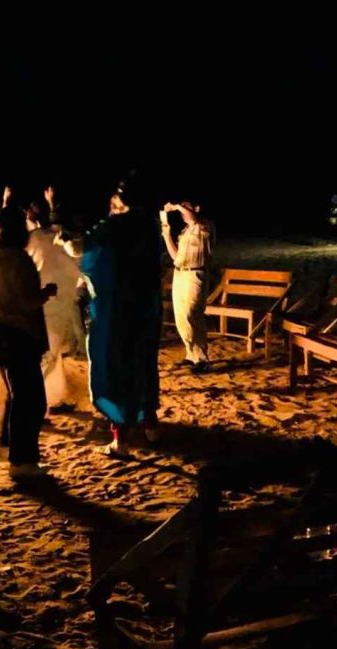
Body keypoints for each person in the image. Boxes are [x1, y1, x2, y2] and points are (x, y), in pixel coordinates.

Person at [62, 175, 162, 456]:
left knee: (116, 367)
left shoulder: (115, 225)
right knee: (144, 364)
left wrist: (65, 239)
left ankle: (121, 440)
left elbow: (81, 249)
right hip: (146, 307)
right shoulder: (150, 226)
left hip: (117, 309)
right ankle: (151, 426)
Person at [0, 206, 57, 479]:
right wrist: (46, 293)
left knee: (17, 396)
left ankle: (7, 446)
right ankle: (22, 463)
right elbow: (26, 301)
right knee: (32, 402)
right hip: (20, 336)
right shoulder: (20, 260)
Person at [25, 188, 84, 412]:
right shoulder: (73, 243)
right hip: (54, 307)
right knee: (48, 357)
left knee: (53, 355)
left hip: (39, 303)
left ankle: (53, 399)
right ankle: (34, 405)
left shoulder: (35, 237)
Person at [161, 200, 213, 372]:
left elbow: (194, 218)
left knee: (192, 314)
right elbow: (176, 257)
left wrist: (175, 206)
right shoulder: (185, 231)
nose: (182, 211)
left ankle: (202, 358)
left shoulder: (203, 226)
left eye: (185, 207)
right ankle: (191, 355)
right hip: (180, 273)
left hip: (195, 274)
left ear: (196, 208)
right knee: (181, 317)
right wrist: (167, 235)